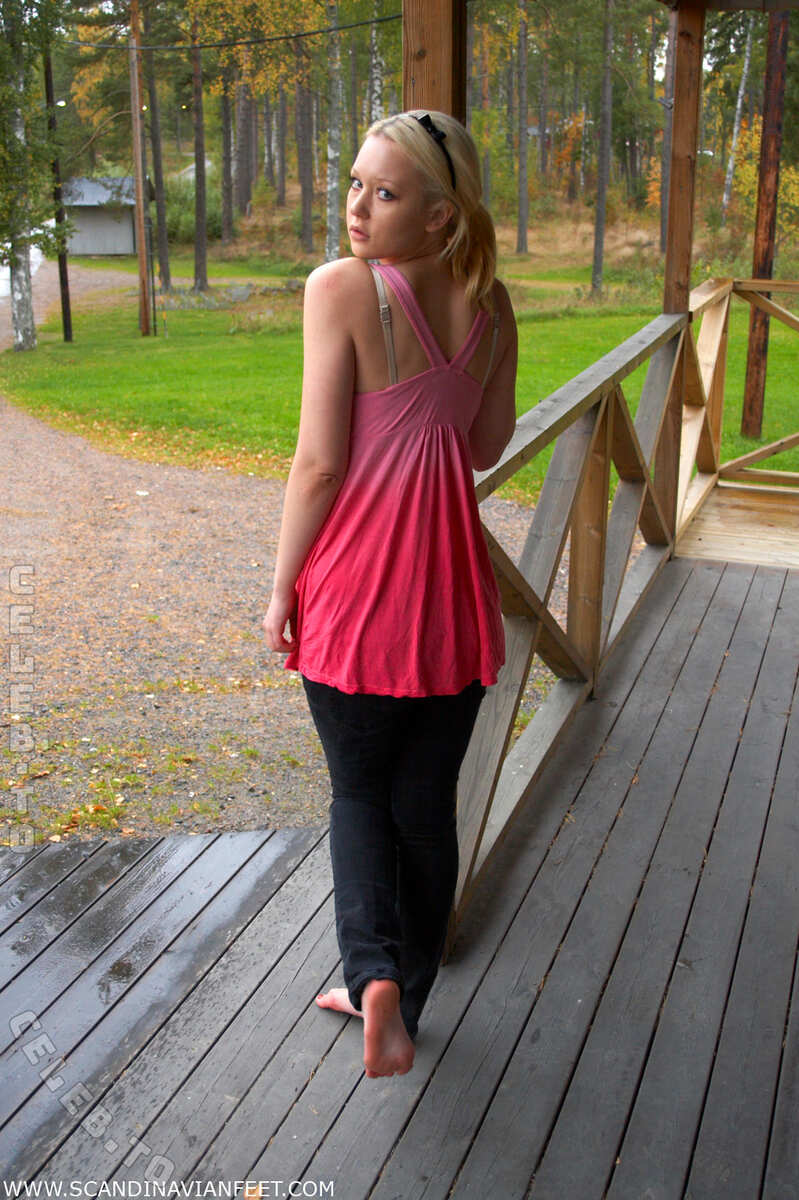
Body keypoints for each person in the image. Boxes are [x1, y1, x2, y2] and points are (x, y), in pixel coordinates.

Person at [263, 109, 517, 1079]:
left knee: (358, 793)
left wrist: (281, 588)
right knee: (425, 806)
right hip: (450, 601)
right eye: (355, 184)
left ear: (441, 214)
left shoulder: (340, 289)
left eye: (385, 193)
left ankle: (369, 978)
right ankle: (403, 999)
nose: (357, 208)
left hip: (358, 600)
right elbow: (483, 446)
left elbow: (318, 465)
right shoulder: (491, 304)